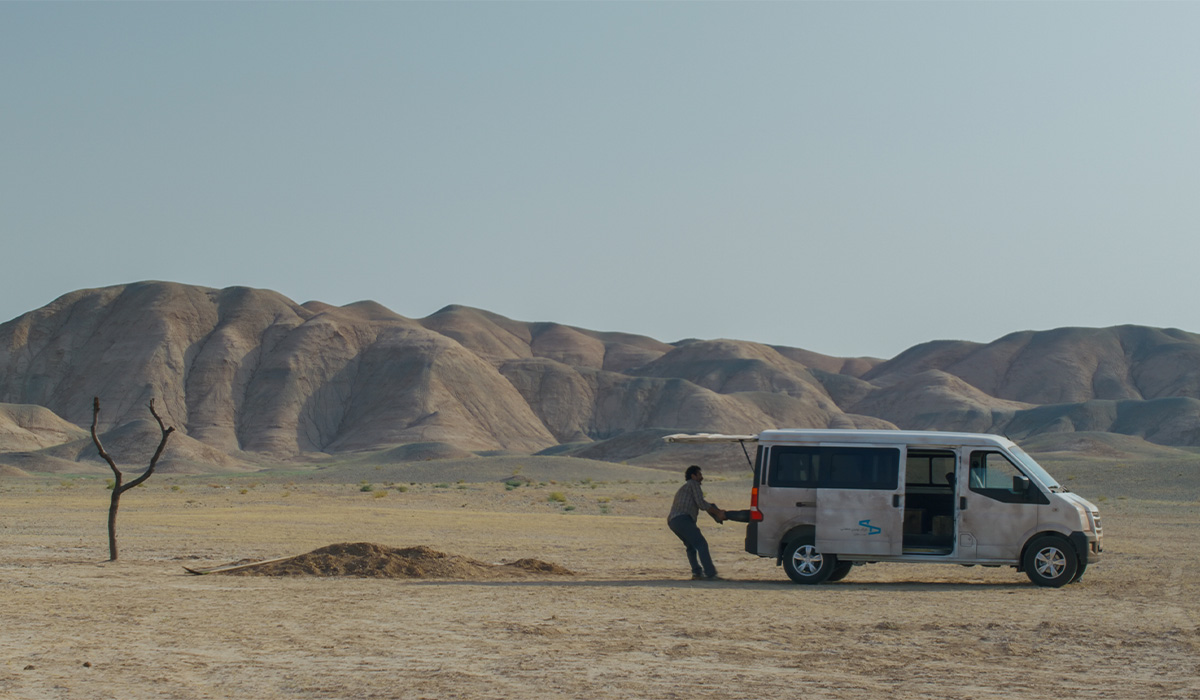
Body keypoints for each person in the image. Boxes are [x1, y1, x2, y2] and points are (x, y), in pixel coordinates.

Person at [667, 465, 726, 580]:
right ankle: (711, 574)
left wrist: (714, 510)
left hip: (673, 521)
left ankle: (697, 573)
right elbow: (701, 503)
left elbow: (701, 503)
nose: (701, 477)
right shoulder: (693, 484)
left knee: (690, 546)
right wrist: (718, 513)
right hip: (683, 519)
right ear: (693, 476)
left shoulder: (685, 487)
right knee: (701, 544)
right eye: (699, 474)